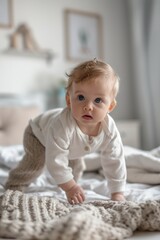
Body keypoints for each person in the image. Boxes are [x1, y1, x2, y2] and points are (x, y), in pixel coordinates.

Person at [5, 59, 126, 204]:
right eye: (81, 97)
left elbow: (115, 160)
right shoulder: (61, 125)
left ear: (110, 106)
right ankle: (14, 185)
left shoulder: (109, 129)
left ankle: (69, 184)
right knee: (34, 164)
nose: (88, 106)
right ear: (69, 100)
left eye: (98, 100)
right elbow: (56, 160)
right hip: (38, 133)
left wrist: (117, 192)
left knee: (77, 168)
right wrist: (70, 187)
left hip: (73, 146)